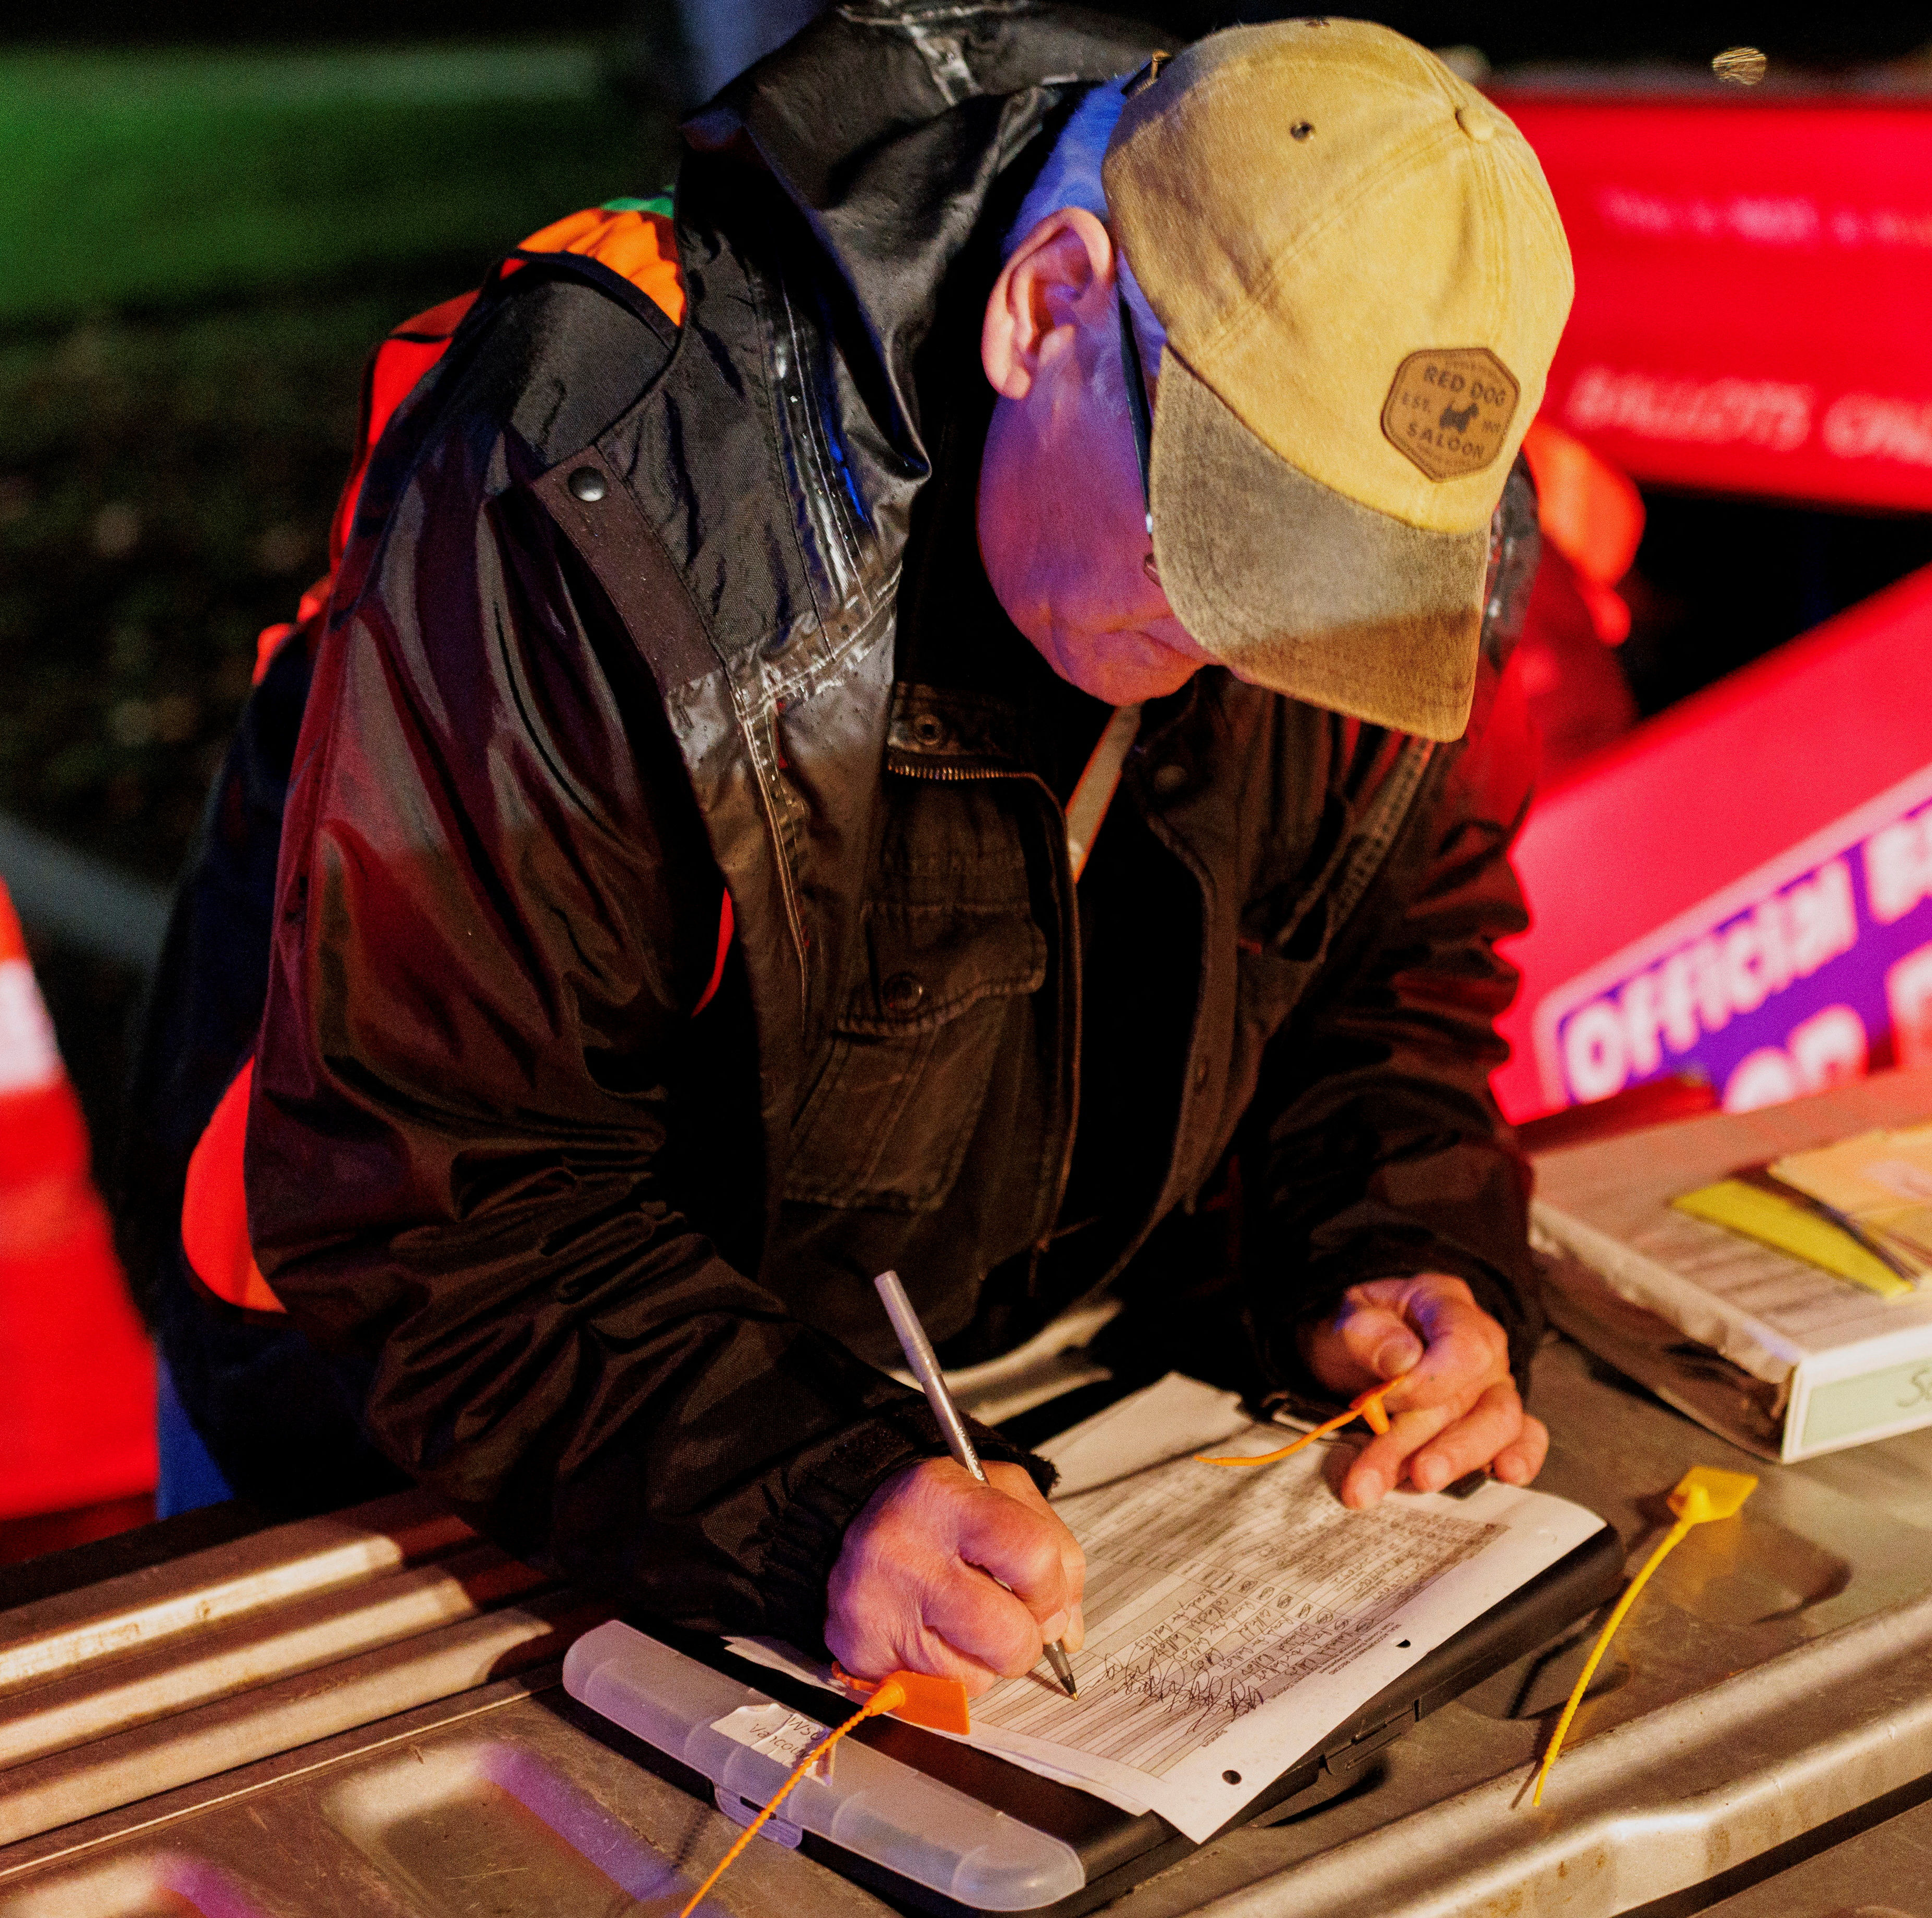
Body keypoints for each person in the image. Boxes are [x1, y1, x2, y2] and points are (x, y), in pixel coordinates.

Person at [119, 8, 1574, 1698]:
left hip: (1002, 1435)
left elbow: (1381, 974)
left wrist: (1394, 1247)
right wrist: (805, 1494)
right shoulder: (603, 476)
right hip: (430, 1458)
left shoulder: (1396, 513)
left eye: (1321, 592)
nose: (1247, 647)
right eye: (1220, 543)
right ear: (1052, 304)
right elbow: (444, 1187)